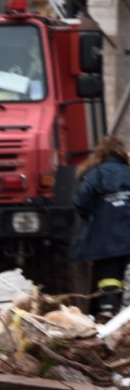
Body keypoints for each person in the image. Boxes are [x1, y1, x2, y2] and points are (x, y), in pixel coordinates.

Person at [70, 136, 130, 320]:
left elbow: (80, 202)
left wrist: (93, 216)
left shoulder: (95, 174)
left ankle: (107, 308)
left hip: (107, 235)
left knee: (109, 273)